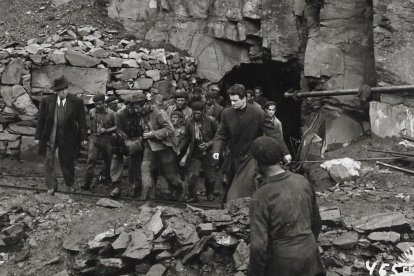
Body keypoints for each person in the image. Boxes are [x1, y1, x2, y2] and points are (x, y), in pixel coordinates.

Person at [248, 136, 324, 276]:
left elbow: (258, 246)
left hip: (282, 263)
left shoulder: (260, 196)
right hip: (310, 256)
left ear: (258, 162)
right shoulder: (302, 181)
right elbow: (316, 223)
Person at [212, 84, 292, 203]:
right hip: (234, 157)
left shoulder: (258, 113)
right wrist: (216, 150)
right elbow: (221, 134)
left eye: (235, 101)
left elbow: (274, 134)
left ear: (244, 99)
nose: (232, 103)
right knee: (230, 185)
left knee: (241, 190)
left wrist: (286, 153)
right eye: (231, 100)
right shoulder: (226, 113)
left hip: (251, 157)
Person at [35, 76, 88, 195]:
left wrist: (84, 137)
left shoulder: (76, 102)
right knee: (49, 160)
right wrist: (38, 137)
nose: (64, 91)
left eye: (65, 89)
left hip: (68, 135)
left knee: (67, 160)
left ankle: (69, 184)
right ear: (57, 91)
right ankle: (51, 186)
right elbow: (41, 120)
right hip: (51, 135)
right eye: (61, 90)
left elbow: (82, 121)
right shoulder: (47, 101)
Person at [140, 96, 184, 203]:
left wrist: (154, 134)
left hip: (165, 146)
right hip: (150, 146)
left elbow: (170, 129)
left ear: (146, 104)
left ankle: (180, 191)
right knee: (145, 168)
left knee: (169, 174)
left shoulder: (159, 112)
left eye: (140, 107)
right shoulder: (140, 114)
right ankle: (149, 196)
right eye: (136, 107)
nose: (137, 110)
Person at [179, 101, 219, 202]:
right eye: (194, 113)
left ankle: (210, 193)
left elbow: (219, 137)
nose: (196, 115)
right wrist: (179, 149)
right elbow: (186, 138)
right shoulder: (189, 122)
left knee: (210, 176)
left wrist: (208, 144)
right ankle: (193, 196)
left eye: (198, 113)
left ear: (203, 111)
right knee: (193, 175)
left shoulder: (211, 121)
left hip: (210, 152)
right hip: (195, 151)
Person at [109, 94, 146, 198]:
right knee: (116, 158)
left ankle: (135, 187)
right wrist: (126, 143)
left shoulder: (140, 114)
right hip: (124, 139)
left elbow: (145, 129)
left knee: (135, 164)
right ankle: (116, 185)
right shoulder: (119, 114)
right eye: (129, 107)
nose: (131, 109)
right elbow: (119, 129)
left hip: (140, 140)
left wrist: (138, 141)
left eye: (133, 107)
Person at [82, 94, 116, 190]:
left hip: (107, 139)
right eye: (96, 104)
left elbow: (117, 126)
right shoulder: (92, 112)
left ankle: (108, 180)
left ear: (104, 103)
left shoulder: (112, 113)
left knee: (109, 161)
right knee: (91, 160)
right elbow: (89, 124)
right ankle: (86, 183)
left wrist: (107, 130)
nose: (97, 106)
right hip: (95, 138)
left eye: (100, 104)